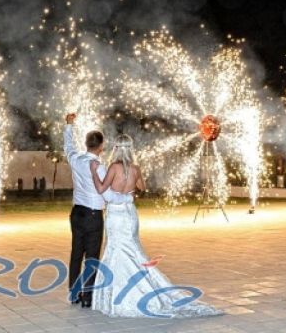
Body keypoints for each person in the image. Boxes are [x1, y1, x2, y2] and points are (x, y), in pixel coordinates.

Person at [89, 133, 222, 318]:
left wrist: (94, 173)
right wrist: (130, 189)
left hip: (116, 215)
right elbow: (142, 187)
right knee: (133, 249)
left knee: (115, 249)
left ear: (116, 149)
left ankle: (119, 294)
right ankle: (142, 287)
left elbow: (101, 189)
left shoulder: (113, 167)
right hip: (130, 214)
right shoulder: (135, 169)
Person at [63, 113, 107, 308]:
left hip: (77, 212)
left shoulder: (76, 159)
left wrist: (69, 125)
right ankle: (87, 296)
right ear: (101, 146)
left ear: (86, 144)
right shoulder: (98, 166)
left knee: (76, 253)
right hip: (93, 215)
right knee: (92, 257)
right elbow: (106, 190)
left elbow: (68, 147)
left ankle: (74, 293)